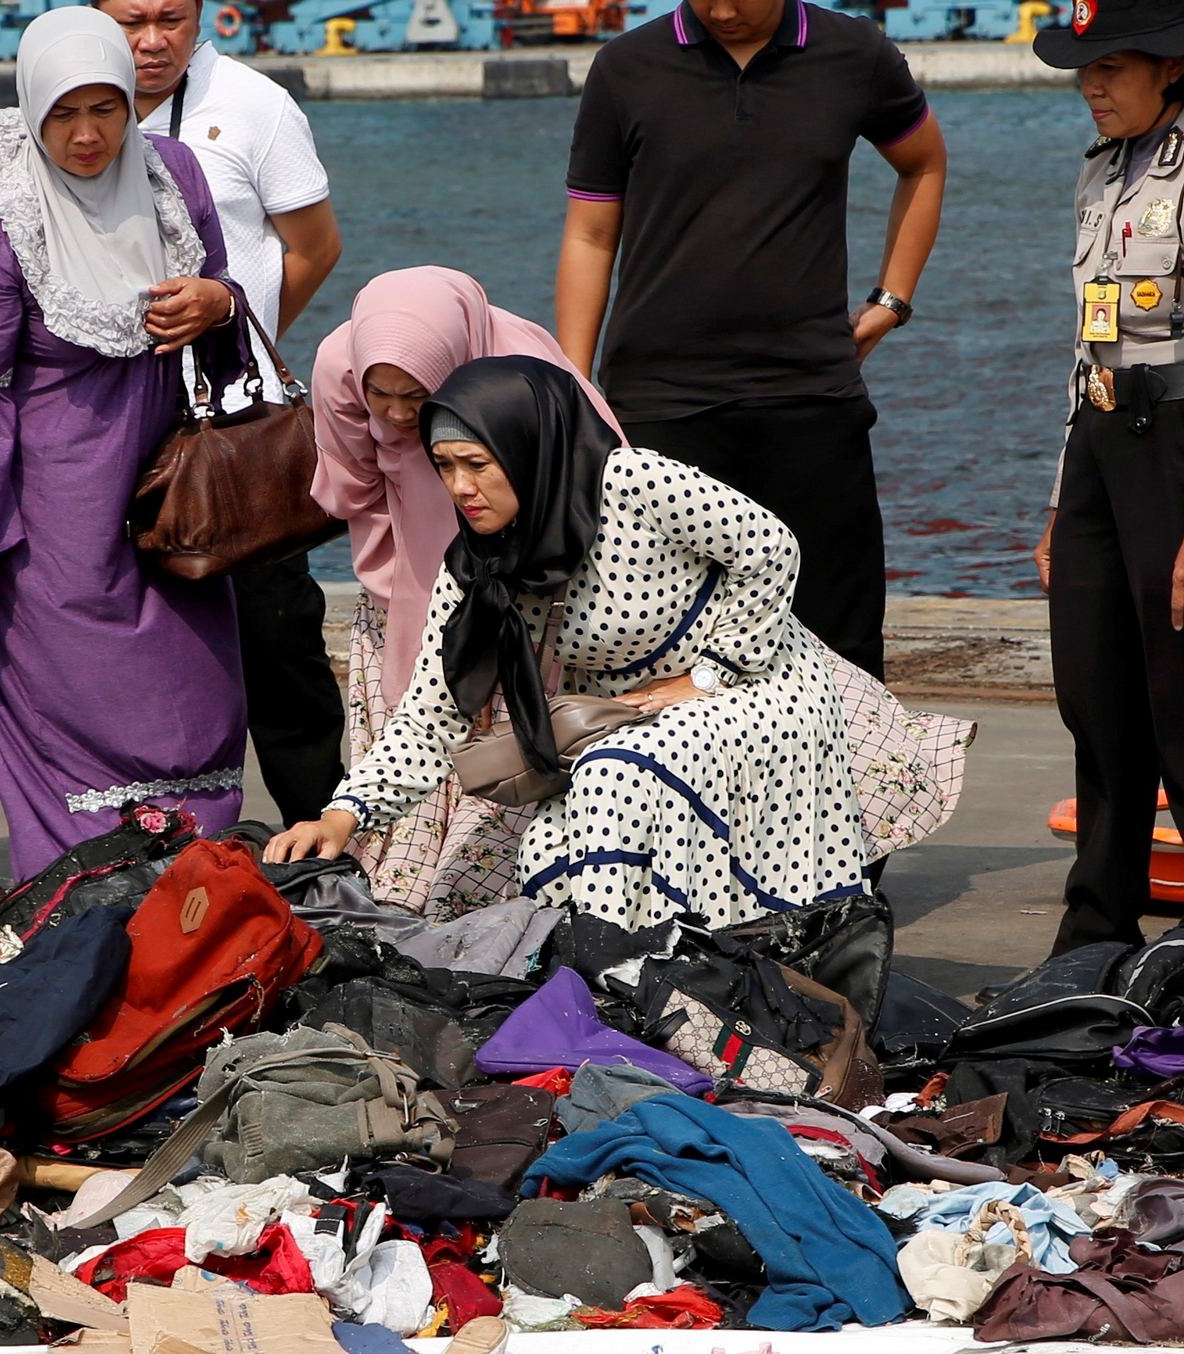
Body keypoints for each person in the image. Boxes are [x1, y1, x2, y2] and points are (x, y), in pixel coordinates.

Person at [269, 357, 971, 931]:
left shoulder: (633, 483)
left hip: (760, 687)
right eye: (445, 466)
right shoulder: (481, 562)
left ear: (527, 445)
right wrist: (344, 814)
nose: (461, 488)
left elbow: (770, 546)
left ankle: (637, 975)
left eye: (479, 464)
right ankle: (623, 981)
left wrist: (710, 674)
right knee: (550, 838)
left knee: (613, 778)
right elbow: (433, 710)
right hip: (634, 718)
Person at [0, 6, 248, 881]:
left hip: (174, 504)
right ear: (31, 108)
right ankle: (81, 917)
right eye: (64, 114)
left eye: (107, 109)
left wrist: (220, 301)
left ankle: (191, 907)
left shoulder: (175, 179)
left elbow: (224, 306)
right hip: (49, 525)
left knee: (193, 703)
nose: (87, 136)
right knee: (74, 722)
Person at [555, 0, 947, 679]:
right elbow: (590, 234)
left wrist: (892, 300)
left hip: (811, 396)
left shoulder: (856, 54)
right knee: (662, 644)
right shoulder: (624, 68)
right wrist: (575, 390)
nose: (724, 10)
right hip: (659, 404)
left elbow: (924, 163)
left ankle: (855, 786)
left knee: (838, 645)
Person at [1030, 0, 1184, 989]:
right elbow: (1089, 348)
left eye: (1110, 67)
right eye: (1082, 68)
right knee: (1095, 692)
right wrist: (1061, 496)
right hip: (1102, 442)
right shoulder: (1102, 173)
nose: (1090, 84)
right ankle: (1099, 922)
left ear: (1171, 69)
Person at [97, 0, 347, 826]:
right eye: (131, 18)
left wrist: (242, 335)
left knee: (281, 649)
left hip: (236, 428)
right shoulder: (67, 107)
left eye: (172, 17)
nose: (151, 38)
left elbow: (314, 246)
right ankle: (158, 840)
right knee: (137, 652)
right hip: (110, 424)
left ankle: (325, 836)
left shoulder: (254, 103)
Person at [309, 267, 622, 918]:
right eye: (381, 397)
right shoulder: (342, 361)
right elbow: (351, 489)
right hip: (420, 584)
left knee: (520, 775)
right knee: (429, 724)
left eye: (416, 396)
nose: (396, 415)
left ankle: (516, 913)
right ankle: (427, 907)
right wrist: (412, 587)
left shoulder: (524, 373)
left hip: (535, 593)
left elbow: (600, 487)